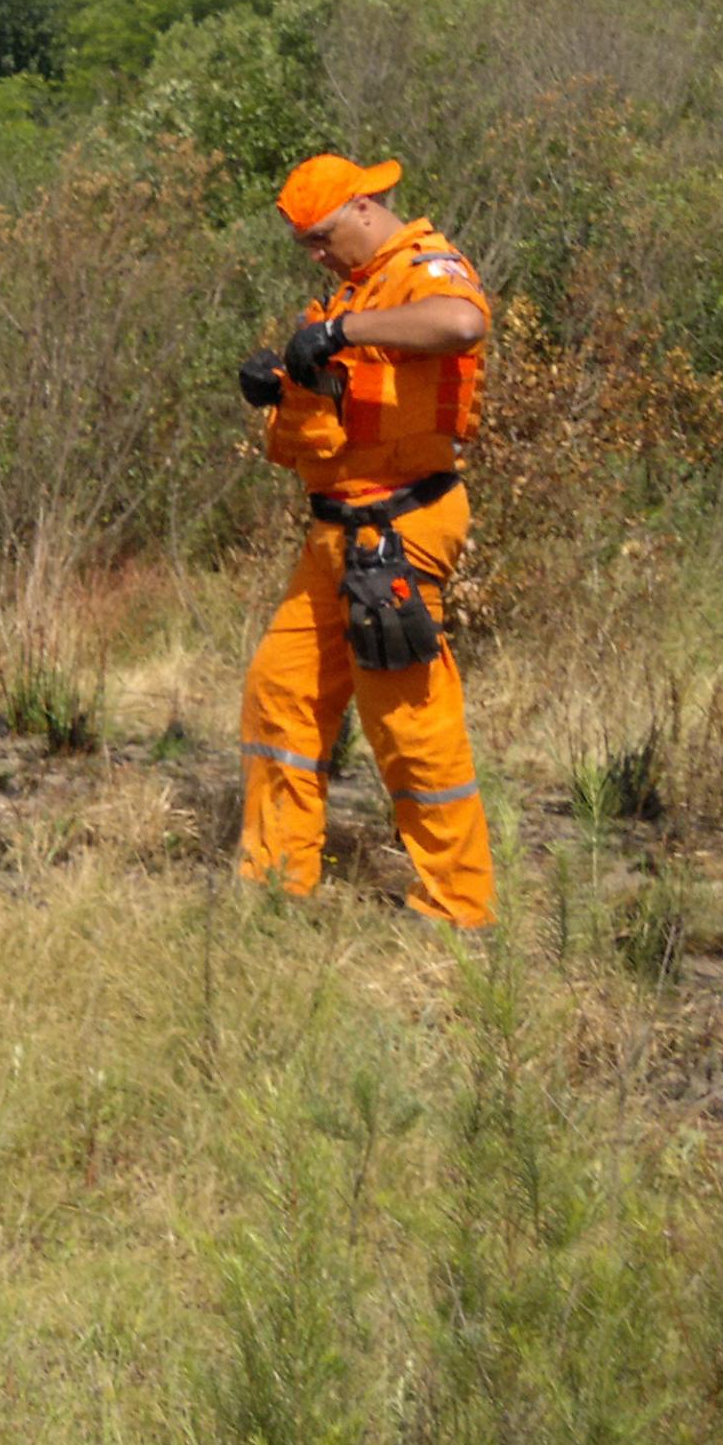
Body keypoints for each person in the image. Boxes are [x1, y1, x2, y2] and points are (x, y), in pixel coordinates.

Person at [233, 153, 497, 929]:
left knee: (409, 721)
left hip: (399, 530)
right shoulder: (348, 292)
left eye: (321, 238)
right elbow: (321, 436)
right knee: (279, 695)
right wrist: (284, 382)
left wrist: (341, 330)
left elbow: (463, 323)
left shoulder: (424, 267)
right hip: (334, 534)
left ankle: (457, 911)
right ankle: (277, 884)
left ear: (362, 208)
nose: (315, 256)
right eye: (304, 248)